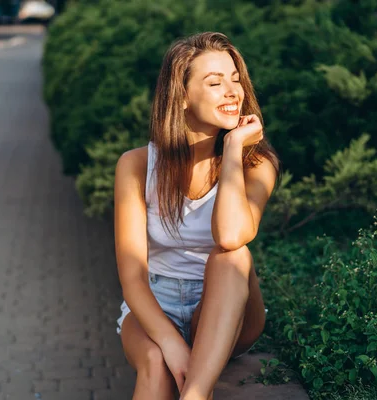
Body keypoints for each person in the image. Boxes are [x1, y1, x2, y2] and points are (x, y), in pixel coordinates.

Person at [114, 31, 281, 400]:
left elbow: (231, 236)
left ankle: (196, 396)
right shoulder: (137, 166)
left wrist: (234, 148)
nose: (232, 92)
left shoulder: (258, 164)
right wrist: (172, 345)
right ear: (183, 96)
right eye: (215, 82)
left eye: (236, 80)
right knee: (156, 364)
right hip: (157, 301)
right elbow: (133, 279)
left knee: (232, 256)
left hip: (227, 306)